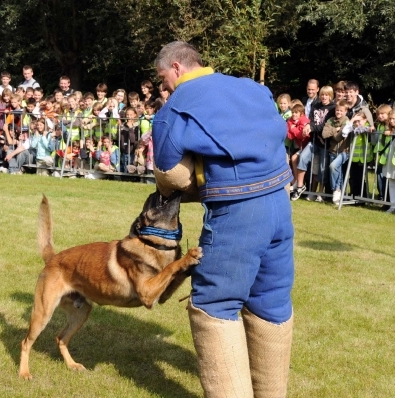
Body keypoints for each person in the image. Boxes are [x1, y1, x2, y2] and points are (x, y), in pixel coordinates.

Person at [152, 41, 293, 397]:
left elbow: (168, 173)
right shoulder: (251, 87)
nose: (162, 86)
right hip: (279, 202)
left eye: (162, 78)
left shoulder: (176, 108)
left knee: (215, 304)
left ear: (177, 68)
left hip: (237, 210)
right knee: (271, 301)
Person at [322, 100, 351, 204]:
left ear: (345, 112)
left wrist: (334, 131)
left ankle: (336, 189)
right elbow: (324, 134)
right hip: (333, 150)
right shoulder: (330, 120)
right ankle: (340, 196)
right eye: (337, 110)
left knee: (333, 166)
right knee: (337, 172)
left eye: (341, 111)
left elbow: (339, 137)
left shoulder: (347, 121)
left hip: (344, 150)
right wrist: (336, 129)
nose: (338, 112)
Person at [287, 103, 311, 199]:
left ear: (301, 114)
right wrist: (294, 130)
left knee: (294, 158)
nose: (293, 115)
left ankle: (297, 182)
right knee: (293, 159)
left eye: (296, 113)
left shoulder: (304, 120)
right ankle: (296, 181)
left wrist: (293, 129)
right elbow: (290, 135)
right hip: (299, 147)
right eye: (292, 113)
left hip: (306, 146)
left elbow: (302, 135)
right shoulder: (290, 121)